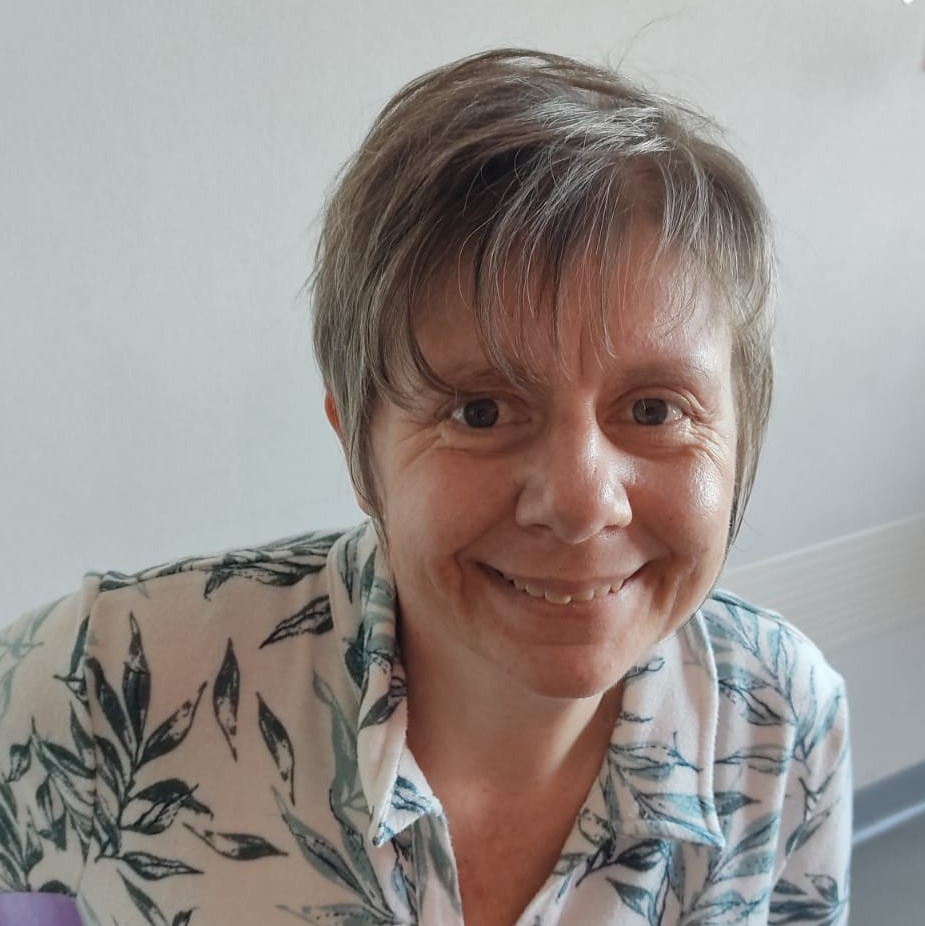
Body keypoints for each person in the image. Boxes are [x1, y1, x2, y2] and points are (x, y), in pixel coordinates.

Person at [0, 48, 850, 926]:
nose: (579, 503)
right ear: (357, 448)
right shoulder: (106, 685)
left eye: (653, 409)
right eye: (480, 411)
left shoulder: (783, 717)